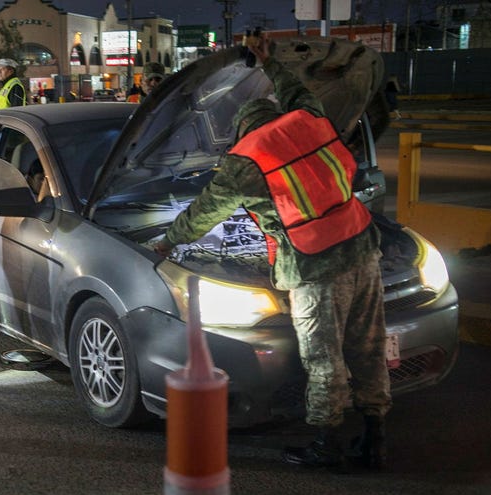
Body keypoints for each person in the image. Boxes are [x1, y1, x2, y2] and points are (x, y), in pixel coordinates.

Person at [153, 36, 391, 470]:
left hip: (316, 265)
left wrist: (169, 241)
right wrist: (270, 66)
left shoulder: (247, 160)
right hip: (363, 247)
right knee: (369, 346)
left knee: (324, 358)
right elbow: (298, 91)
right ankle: (375, 439)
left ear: (242, 128)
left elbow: (205, 211)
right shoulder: (310, 118)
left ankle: (327, 443)